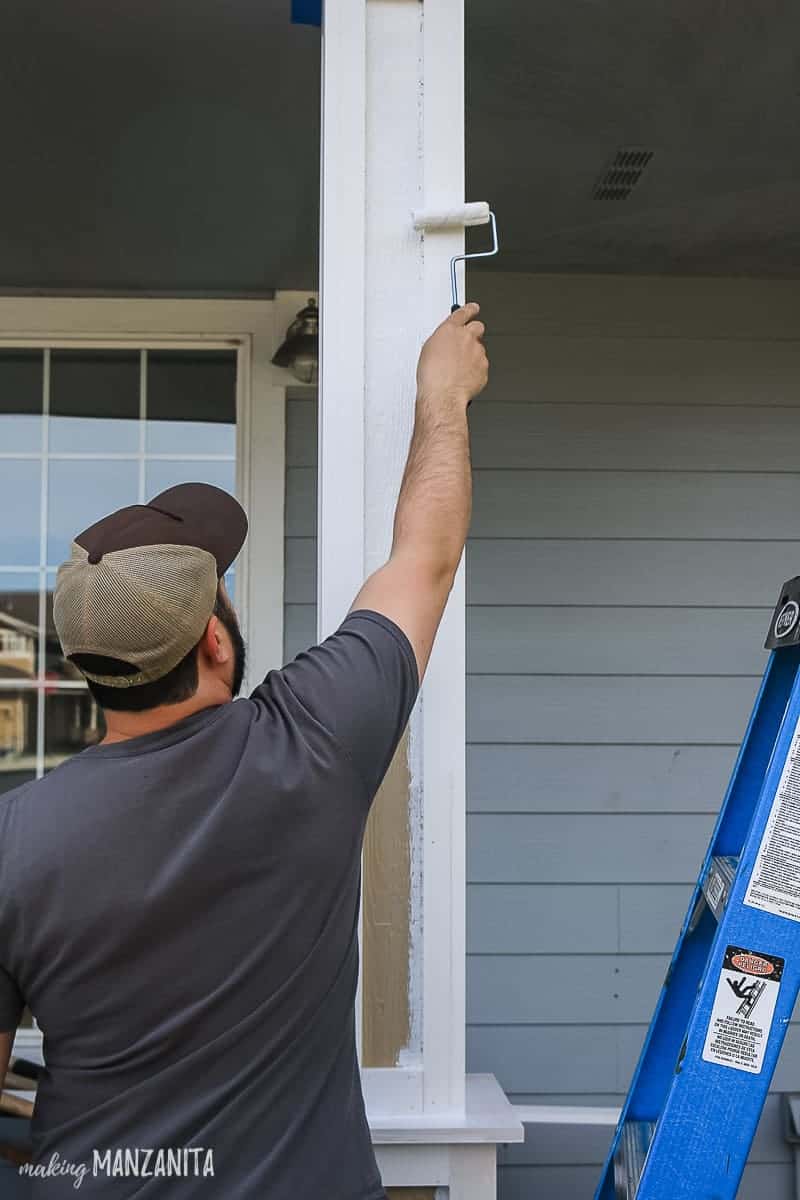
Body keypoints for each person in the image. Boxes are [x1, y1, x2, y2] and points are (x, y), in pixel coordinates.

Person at [0, 302, 488, 1198]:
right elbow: (426, 556)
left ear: (88, 670)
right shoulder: (312, 739)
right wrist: (442, 396)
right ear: (215, 644)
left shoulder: (12, 840)